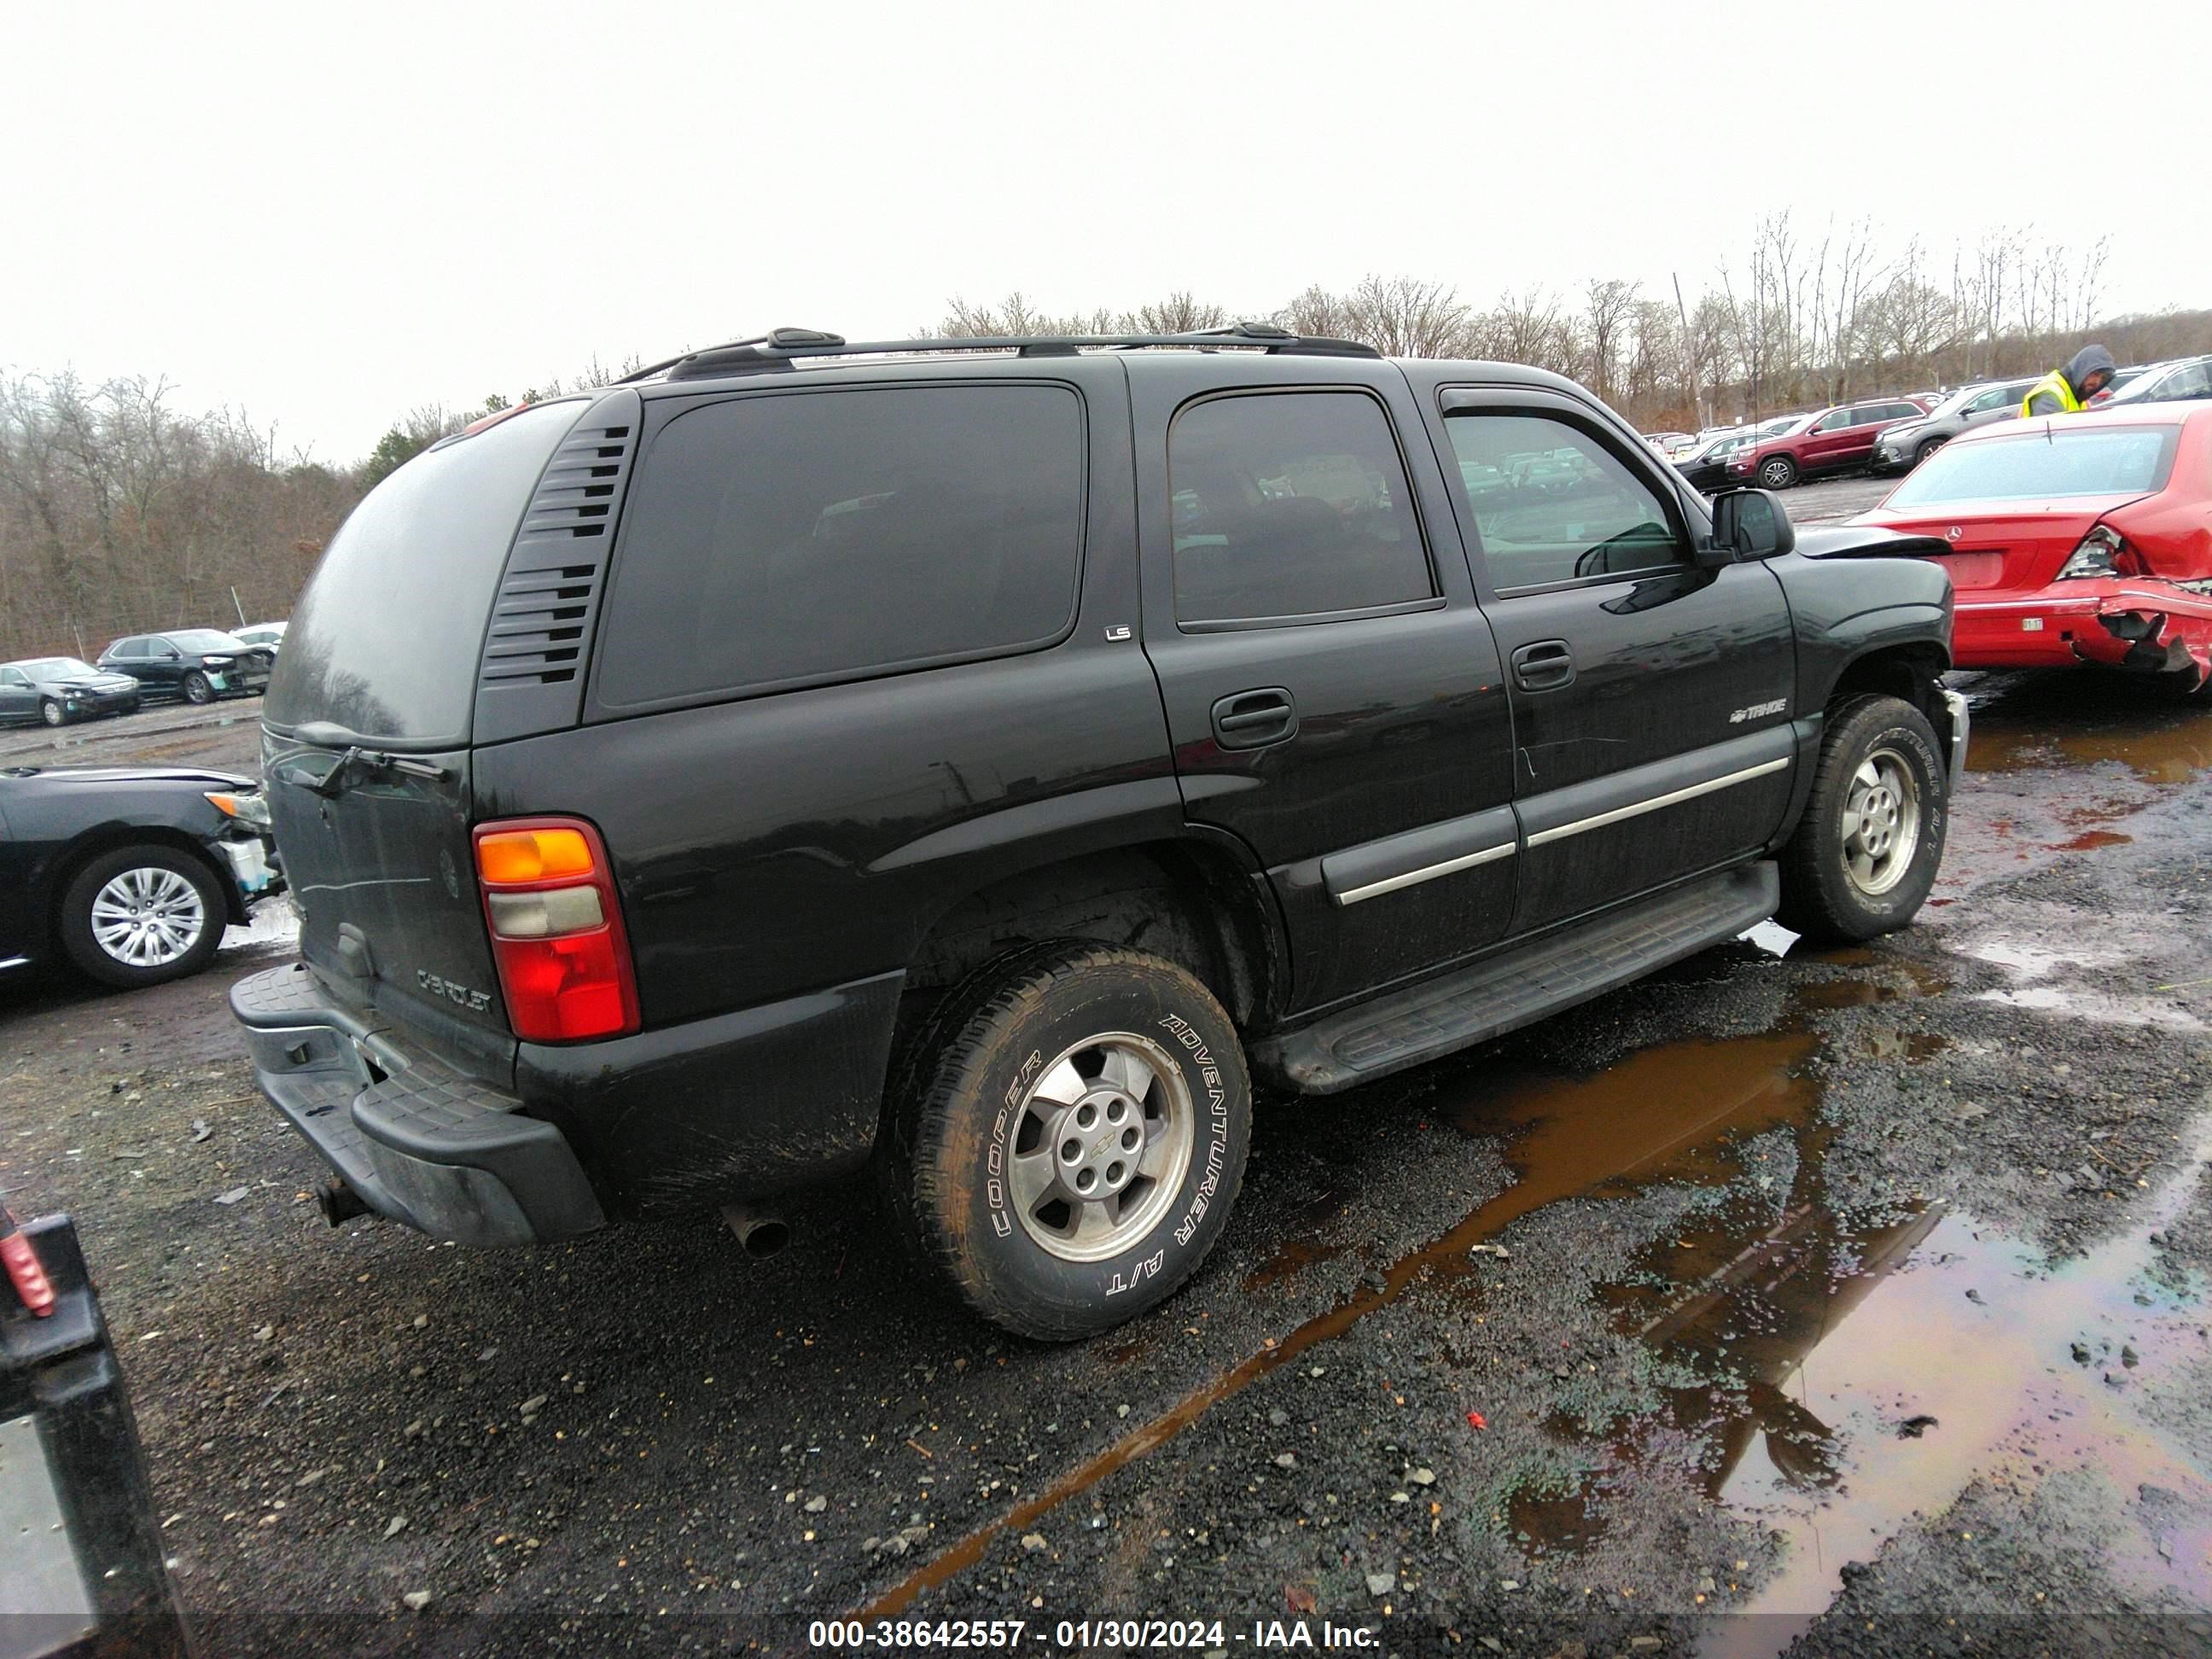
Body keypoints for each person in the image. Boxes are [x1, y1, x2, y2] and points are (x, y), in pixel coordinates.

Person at [2020, 344, 2117, 417]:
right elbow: (2052, 440)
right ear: (2081, 368)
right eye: (2095, 374)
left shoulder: (2080, 397)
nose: (2097, 382)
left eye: (2103, 378)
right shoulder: (2049, 395)